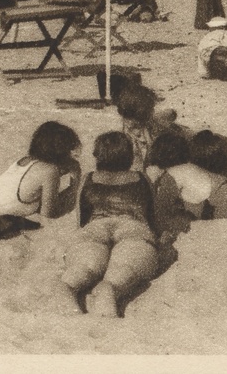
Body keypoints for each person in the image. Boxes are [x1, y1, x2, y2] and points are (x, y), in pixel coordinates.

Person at [55, 131, 160, 318]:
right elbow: (153, 219)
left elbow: (81, 221)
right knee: (119, 277)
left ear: (98, 156)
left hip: (95, 228)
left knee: (78, 274)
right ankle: (108, 289)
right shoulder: (142, 178)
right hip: (133, 228)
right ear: (129, 155)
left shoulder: (88, 178)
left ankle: (68, 295)